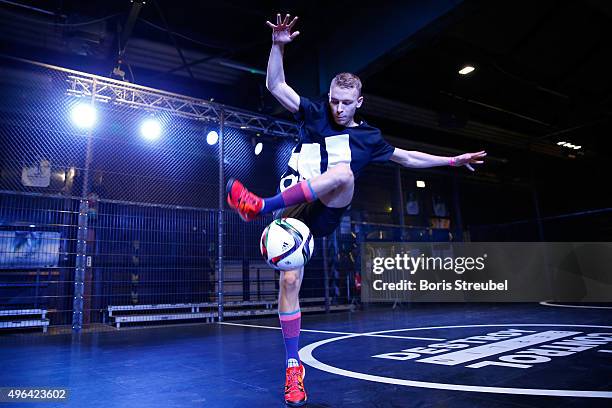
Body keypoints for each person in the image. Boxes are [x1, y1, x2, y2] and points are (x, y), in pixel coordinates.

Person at [226, 13, 487, 407]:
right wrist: (278, 46)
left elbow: (408, 159)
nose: (339, 108)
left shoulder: (368, 138)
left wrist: (450, 161)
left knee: (345, 173)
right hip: (295, 204)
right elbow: (275, 84)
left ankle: (258, 206)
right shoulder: (314, 113)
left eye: (347, 103)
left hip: (327, 209)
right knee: (289, 283)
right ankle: (293, 367)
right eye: (334, 100)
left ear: (359, 102)